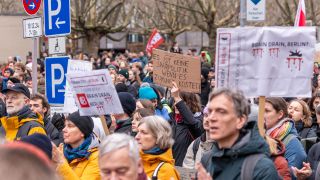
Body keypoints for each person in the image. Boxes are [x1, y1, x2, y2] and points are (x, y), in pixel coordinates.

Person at [199, 88, 278, 179]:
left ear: (240, 120)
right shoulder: (207, 159)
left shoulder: (262, 168)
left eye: (221, 112)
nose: (211, 118)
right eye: (210, 111)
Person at [52, 111, 100, 179]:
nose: (64, 129)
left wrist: (61, 162)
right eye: (65, 126)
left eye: (70, 126)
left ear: (83, 132)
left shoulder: (96, 157)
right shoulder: (60, 151)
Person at [265, 97, 307, 174]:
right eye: (290, 108)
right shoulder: (259, 135)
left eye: (267, 111)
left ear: (280, 114)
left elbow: (289, 176)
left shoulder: (292, 142)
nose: (262, 114)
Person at [171, 82, 204, 166]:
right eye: (174, 101)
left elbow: (192, 123)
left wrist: (177, 98)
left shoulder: (198, 122)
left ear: (191, 103)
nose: (176, 105)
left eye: (181, 101)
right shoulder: (172, 121)